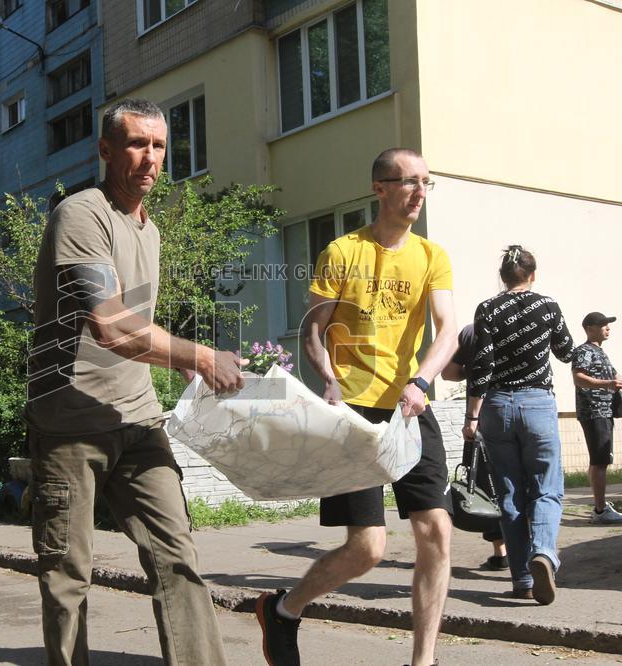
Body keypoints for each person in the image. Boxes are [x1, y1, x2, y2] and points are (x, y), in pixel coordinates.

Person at [25, 98, 245, 666]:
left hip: (138, 419)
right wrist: (199, 356)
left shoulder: (150, 229)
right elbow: (113, 326)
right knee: (68, 574)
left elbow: (139, 329)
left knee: (178, 556)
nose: (151, 158)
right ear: (105, 150)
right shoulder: (82, 214)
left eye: (160, 146)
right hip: (71, 422)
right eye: (136, 144)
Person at [255, 148, 458, 666]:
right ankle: (284, 609)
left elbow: (449, 330)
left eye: (425, 183)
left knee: (436, 529)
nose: (418, 192)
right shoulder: (343, 251)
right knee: (368, 548)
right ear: (380, 188)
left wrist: (421, 380)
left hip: (409, 407)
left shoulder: (432, 257)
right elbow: (313, 331)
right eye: (408, 181)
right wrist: (328, 378)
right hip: (352, 413)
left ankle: (423, 660)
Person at [462, 246, 575, 606]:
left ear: (503, 276)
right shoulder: (548, 306)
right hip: (538, 403)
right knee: (547, 488)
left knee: (510, 494)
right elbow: (566, 350)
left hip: (497, 406)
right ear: (532, 274)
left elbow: (481, 365)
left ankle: (523, 579)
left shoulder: (488, 309)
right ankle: (543, 553)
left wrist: (472, 416)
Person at [572, 312, 622, 523]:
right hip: (594, 411)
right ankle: (600, 511)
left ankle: (600, 506)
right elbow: (578, 378)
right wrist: (605, 385)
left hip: (603, 411)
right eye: (602, 324)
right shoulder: (584, 351)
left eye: (608, 324)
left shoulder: (599, 352)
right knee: (600, 461)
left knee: (599, 460)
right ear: (589, 328)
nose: (607, 328)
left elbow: (616, 377)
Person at [441, 324, 509, 571]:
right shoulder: (531, 325)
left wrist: (470, 368)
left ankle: (501, 552)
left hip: (482, 415)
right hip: (525, 412)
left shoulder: (471, 332)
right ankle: (532, 549)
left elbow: (448, 373)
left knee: (486, 483)